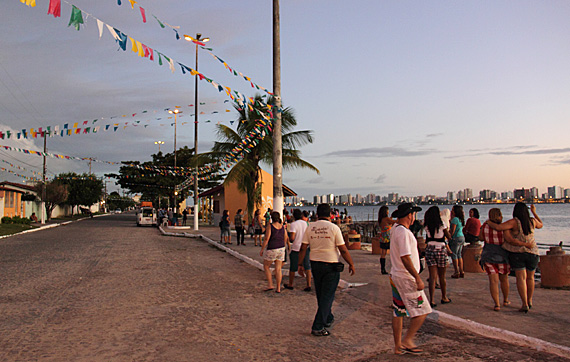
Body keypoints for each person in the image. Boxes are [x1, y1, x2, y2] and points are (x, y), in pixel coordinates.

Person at [298, 203, 355, 337]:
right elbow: (343, 249)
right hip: (330, 265)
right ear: (330, 214)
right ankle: (318, 326)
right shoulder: (334, 228)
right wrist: (351, 263)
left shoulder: (310, 228)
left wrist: (300, 264)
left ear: (317, 214)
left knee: (321, 294)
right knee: (328, 296)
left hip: (315, 264)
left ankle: (328, 317)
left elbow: (303, 248)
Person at [389, 202, 431, 355]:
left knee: (399, 311)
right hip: (405, 277)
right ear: (409, 215)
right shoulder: (404, 233)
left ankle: (398, 345)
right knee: (422, 310)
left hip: (396, 274)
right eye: (414, 214)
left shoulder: (395, 229)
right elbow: (406, 258)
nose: (415, 217)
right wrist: (417, 278)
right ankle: (407, 340)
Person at [486, 203, 542, 313]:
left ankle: (524, 303)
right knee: (530, 278)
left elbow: (498, 227)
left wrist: (489, 222)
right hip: (533, 253)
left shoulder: (514, 222)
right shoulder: (532, 221)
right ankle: (530, 300)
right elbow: (541, 224)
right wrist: (534, 212)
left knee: (521, 278)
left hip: (519, 254)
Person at [479, 208, 515, 311]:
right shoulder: (504, 227)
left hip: (488, 255)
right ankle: (506, 299)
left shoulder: (485, 226)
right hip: (502, 255)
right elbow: (508, 240)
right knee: (504, 279)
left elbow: (480, 238)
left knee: (493, 281)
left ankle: (497, 304)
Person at [423, 206, 453, 308]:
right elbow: (448, 236)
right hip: (440, 249)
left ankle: (431, 300)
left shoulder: (426, 225)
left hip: (430, 249)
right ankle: (444, 297)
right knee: (442, 276)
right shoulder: (441, 225)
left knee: (432, 276)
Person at [259, 211, 290, 293]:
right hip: (281, 248)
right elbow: (286, 237)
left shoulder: (270, 226)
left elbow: (266, 239)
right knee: (278, 268)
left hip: (272, 248)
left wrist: (262, 249)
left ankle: (270, 284)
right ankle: (278, 288)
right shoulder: (283, 227)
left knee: (266, 266)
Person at [284, 209, 312, 291]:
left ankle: (291, 284)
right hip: (305, 247)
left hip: (296, 247)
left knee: (293, 267)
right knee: (307, 267)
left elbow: (292, 238)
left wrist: (288, 239)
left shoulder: (293, 224)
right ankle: (308, 284)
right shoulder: (307, 224)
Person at [378, 205, 396, 275]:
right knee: (393, 252)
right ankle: (393, 267)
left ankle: (382, 269)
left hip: (382, 237)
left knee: (383, 253)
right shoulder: (386, 219)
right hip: (388, 238)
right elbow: (394, 222)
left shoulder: (381, 219)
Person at [449, 205, 465, 278]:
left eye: (452, 210)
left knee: (454, 254)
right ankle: (461, 271)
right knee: (459, 254)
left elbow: (453, 230)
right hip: (462, 237)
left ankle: (456, 271)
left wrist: (449, 236)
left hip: (456, 238)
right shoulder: (460, 219)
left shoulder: (455, 219)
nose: (451, 211)